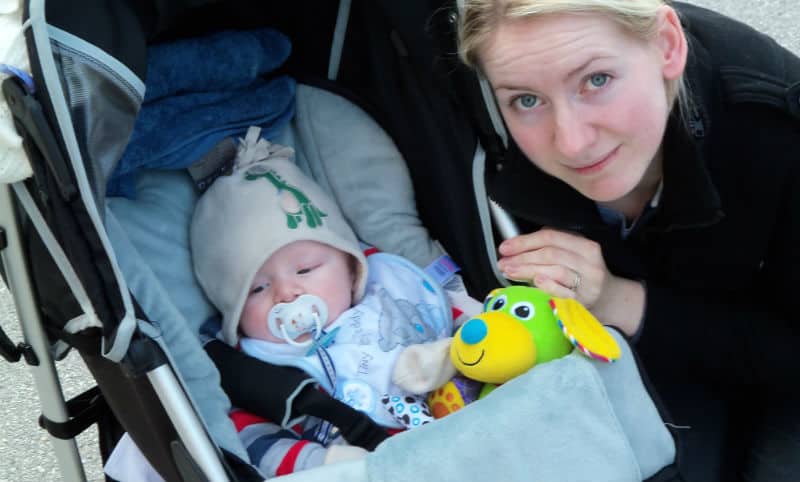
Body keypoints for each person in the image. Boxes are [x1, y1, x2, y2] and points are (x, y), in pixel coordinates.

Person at [456, 1, 800, 481]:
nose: (572, 142)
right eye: (527, 100)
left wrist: (618, 299)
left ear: (667, 45)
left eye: (596, 80)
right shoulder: (480, 136)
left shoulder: (779, 124)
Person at [189, 140, 458, 477]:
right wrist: (319, 463)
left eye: (305, 270)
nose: (287, 293)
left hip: (460, 434)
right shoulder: (253, 370)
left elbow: (479, 330)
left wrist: (455, 353)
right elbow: (251, 441)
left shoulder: (391, 294)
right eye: (257, 288)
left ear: (350, 266)